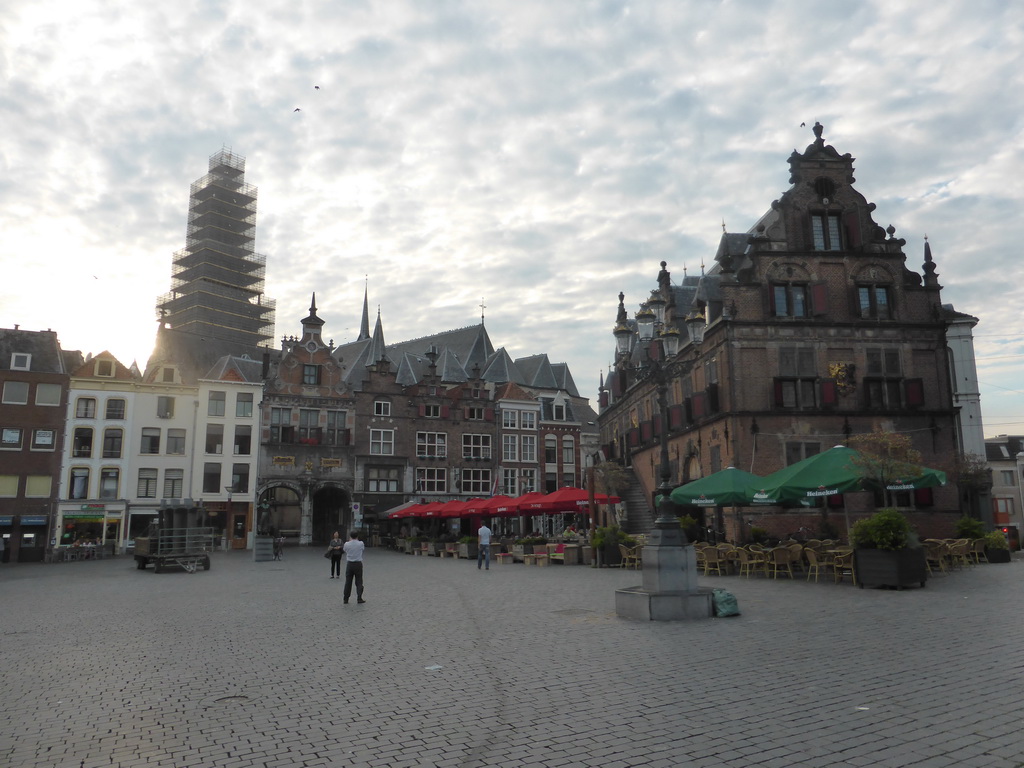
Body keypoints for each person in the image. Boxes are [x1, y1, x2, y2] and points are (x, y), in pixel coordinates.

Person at [342, 531, 365, 604]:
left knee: (348, 582)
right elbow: (362, 549)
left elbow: (344, 550)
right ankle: (359, 597)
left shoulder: (347, 544)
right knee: (359, 581)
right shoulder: (360, 543)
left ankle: (346, 598)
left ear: (350, 536)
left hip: (350, 564)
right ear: (357, 536)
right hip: (358, 563)